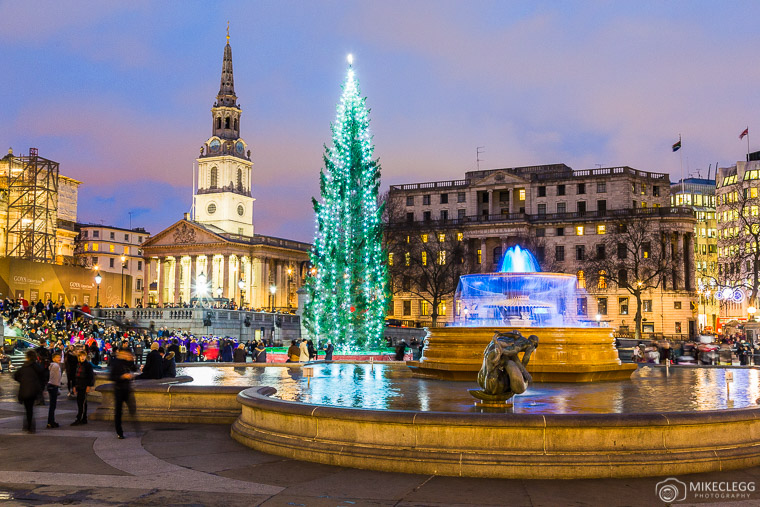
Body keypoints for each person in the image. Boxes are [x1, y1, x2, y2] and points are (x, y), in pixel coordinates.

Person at [13, 350, 45, 433]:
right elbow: (43, 376)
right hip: (34, 390)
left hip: (24, 390)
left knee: (28, 409)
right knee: (30, 409)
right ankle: (30, 426)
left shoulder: (24, 367)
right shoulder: (37, 367)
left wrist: (23, 380)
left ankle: (28, 425)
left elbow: (15, 376)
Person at [110, 346, 137, 439]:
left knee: (132, 408)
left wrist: (132, 360)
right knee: (118, 411)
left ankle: (136, 427)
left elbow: (134, 369)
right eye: (125, 354)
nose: (127, 355)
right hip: (119, 389)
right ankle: (119, 431)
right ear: (121, 353)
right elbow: (112, 377)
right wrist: (123, 376)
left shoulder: (127, 361)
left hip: (127, 388)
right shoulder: (115, 362)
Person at [71, 350, 94, 426]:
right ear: (79, 357)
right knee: (79, 402)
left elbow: (90, 377)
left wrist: (89, 386)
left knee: (83, 402)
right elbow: (74, 376)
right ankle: (83, 418)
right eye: (81, 356)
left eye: (84, 356)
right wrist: (73, 386)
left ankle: (81, 418)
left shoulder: (88, 365)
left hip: (84, 385)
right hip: (78, 385)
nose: (82, 357)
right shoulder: (77, 365)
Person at [46, 351, 63, 428]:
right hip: (53, 386)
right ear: (53, 358)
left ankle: (51, 421)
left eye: (59, 357)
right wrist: (56, 385)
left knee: (52, 405)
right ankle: (50, 422)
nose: (59, 358)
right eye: (57, 357)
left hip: (51, 385)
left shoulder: (53, 365)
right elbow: (54, 377)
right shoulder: (56, 366)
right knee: (53, 406)